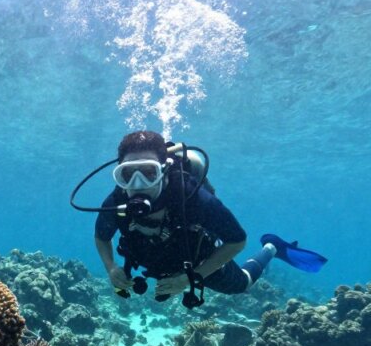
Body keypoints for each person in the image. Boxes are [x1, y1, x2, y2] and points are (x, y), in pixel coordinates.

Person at [92, 131, 325, 305]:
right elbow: (102, 237)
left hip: (196, 260)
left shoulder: (193, 199)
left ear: (164, 170)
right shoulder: (115, 202)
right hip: (150, 259)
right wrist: (111, 267)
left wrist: (190, 278)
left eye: (149, 173)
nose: (138, 184)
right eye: (128, 174)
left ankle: (272, 247)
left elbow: (237, 241)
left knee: (242, 284)